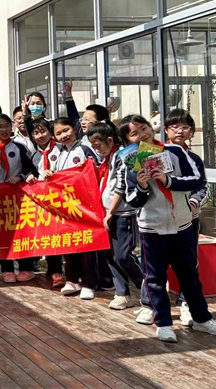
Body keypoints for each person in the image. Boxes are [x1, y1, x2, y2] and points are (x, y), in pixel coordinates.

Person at [121, 114, 216, 342]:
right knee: (155, 278)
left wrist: (169, 181)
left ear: (152, 128)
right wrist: (142, 186)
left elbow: (197, 180)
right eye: (134, 133)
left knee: (189, 275)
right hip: (152, 228)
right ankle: (164, 323)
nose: (142, 135)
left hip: (182, 225)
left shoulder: (175, 152)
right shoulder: (129, 161)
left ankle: (202, 319)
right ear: (127, 140)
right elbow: (132, 200)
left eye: (144, 128)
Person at [87, 122, 143, 311]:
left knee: (122, 255)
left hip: (122, 212)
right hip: (106, 213)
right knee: (110, 255)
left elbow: (121, 185)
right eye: (94, 146)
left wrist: (110, 212)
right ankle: (122, 293)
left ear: (110, 140)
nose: (97, 149)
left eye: (98, 145)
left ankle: (147, 285)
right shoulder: (107, 159)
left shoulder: (124, 155)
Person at [164, 109, 209, 327]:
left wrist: (192, 203)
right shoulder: (156, 154)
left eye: (185, 127)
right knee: (155, 265)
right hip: (159, 220)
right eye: (174, 126)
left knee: (189, 265)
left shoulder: (194, 159)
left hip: (188, 219)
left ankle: (186, 304)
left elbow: (202, 187)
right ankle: (149, 305)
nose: (180, 131)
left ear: (191, 131)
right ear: (166, 130)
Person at [0, 114, 38, 283]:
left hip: (18, 198)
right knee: (2, 233)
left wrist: (20, 177)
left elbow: (31, 170)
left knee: (21, 232)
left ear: (11, 126)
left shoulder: (20, 147)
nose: (4, 130)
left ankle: (26, 268)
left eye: (6, 125)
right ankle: (6, 268)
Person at [52, 118, 98, 300]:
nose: (63, 135)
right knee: (68, 244)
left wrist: (87, 168)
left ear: (74, 128)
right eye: (58, 133)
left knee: (86, 245)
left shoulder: (85, 149)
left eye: (66, 130)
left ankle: (88, 283)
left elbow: (96, 169)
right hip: (65, 206)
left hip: (84, 205)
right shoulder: (57, 153)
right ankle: (71, 279)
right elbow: (54, 175)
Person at [27, 118, 63, 287]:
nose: (40, 135)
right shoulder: (34, 156)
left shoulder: (61, 149)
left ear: (50, 132)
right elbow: (32, 174)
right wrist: (30, 177)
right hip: (44, 201)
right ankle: (54, 271)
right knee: (49, 235)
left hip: (62, 199)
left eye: (43, 131)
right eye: (36, 133)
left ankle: (71, 272)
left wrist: (56, 175)